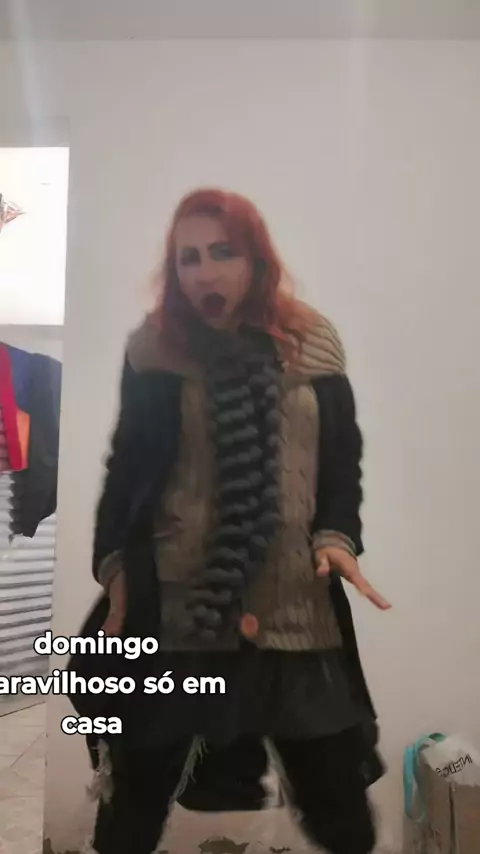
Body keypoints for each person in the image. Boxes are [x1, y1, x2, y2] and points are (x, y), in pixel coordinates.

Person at [70, 188, 390, 854]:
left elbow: (341, 462)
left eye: (223, 252)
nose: (204, 272)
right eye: (188, 258)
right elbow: (126, 473)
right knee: (134, 803)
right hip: (177, 611)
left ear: (256, 258)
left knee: (339, 808)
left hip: (295, 608)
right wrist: (116, 568)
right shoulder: (154, 350)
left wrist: (337, 537)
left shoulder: (314, 344)